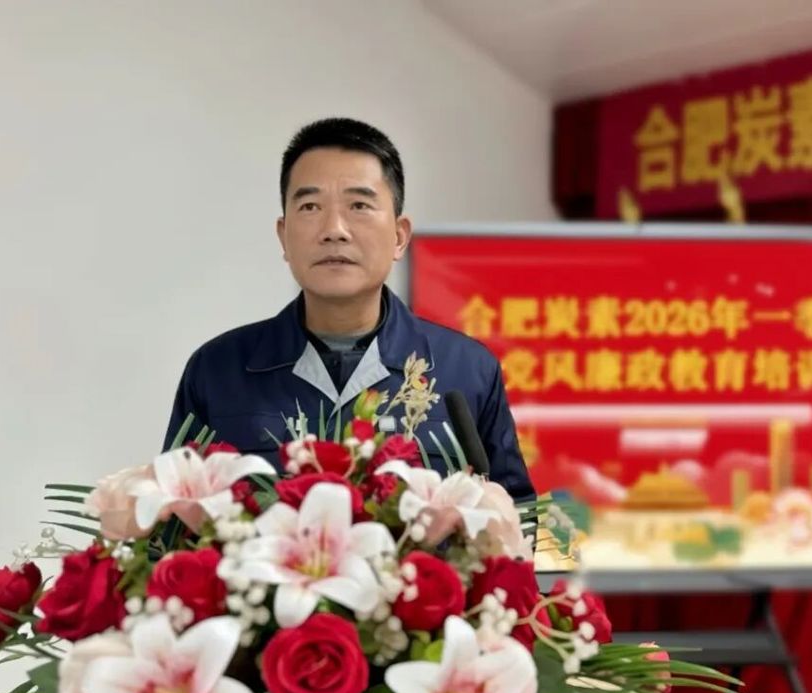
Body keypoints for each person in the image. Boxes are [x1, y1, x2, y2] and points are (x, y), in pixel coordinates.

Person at [162, 117, 534, 503]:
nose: (334, 229)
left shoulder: (466, 370)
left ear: (399, 236)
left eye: (359, 205)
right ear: (284, 236)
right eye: (310, 206)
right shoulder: (217, 371)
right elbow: (173, 516)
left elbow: (518, 519)